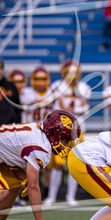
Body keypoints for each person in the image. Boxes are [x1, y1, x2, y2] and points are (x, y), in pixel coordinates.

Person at [0, 110, 79, 220]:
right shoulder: (41, 147)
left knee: (14, 185)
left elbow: (12, 160)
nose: (66, 146)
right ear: (54, 133)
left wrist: (23, 177)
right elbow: (33, 187)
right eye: (65, 140)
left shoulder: (37, 132)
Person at [44, 59, 91, 206]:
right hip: (60, 130)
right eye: (70, 72)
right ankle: (51, 197)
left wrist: (74, 110)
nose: (74, 76)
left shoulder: (84, 87)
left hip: (77, 130)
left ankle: (71, 196)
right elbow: (67, 108)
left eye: (76, 72)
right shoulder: (58, 86)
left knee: (74, 163)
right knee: (58, 163)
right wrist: (76, 109)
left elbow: (84, 109)